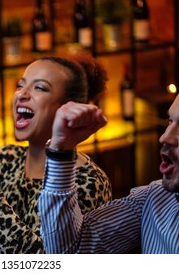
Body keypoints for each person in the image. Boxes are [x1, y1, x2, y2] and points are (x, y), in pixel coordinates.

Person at [0, 54, 113, 254]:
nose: (21, 95)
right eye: (20, 85)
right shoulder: (4, 159)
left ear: (68, 109)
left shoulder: (90, 181)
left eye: (39, 87)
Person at [38, 96, 179, 254]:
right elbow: (68, 252)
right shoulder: (152, 200)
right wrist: (61, 149)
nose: (165, 137)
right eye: (170, 121)